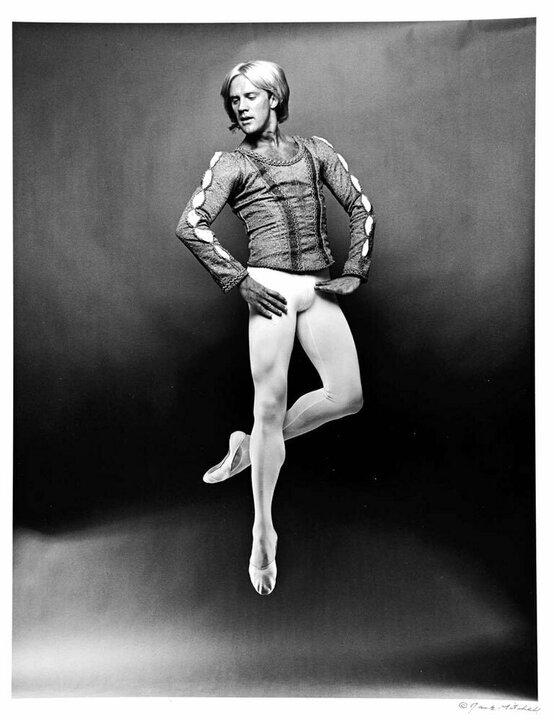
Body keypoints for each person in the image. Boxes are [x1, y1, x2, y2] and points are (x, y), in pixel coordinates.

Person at [175, 60, 376, 595]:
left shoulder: (316, 150)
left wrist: (355, 269)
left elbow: (360, 207)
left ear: (274, 97)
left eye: (249, 95)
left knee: (348, 395)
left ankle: (251, 448)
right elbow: (190, 224)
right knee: (269, 406)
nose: (240, 106)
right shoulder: (231, 163)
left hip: (318, 285)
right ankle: (263, 533)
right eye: (233, 100)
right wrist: (238, 278)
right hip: (268, 287)